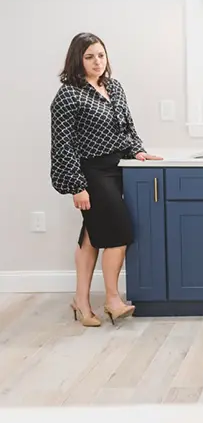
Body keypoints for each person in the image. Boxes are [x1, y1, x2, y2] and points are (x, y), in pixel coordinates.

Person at [50, 32, 162, 327]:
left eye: (101, 55)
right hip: (90, 173)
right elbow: (63, 144)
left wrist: (138, 150)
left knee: (92, 237)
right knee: (119, 235)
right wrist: (77, 186)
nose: (97, 61)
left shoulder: (113, 87)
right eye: (89, 57)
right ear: (78, 60)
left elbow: (127, 127)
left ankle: (81, 302)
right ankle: (112, 300)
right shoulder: (69, 94)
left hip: (117, 170)